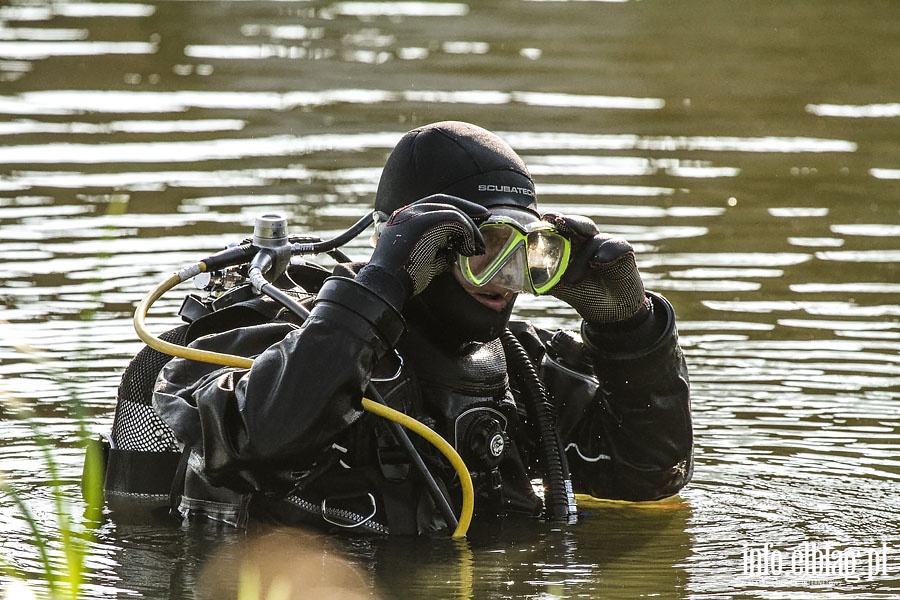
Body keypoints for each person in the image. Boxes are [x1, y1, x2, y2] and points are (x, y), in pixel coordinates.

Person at [100, 121, 692, 535]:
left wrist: (630, 333)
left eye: (524, 252)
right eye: (480, 247)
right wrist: (380, 286)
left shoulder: (518, 369)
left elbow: (645, 476)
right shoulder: (279, 335)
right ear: (411, 242)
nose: (505, 279)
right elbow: (255, 439)